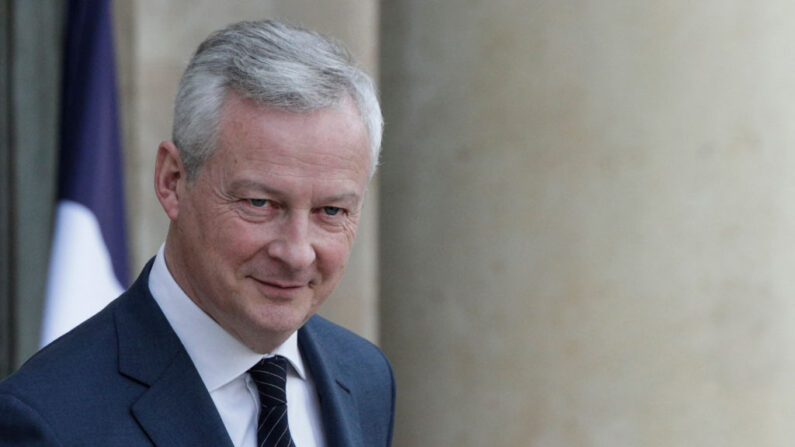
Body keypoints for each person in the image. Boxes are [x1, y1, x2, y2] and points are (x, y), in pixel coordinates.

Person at [0, 20, 394, 446]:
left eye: (331, 210)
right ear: (172, 181)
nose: (297, 253)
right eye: (259, 203)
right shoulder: (49, 420)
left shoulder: (365, 377)